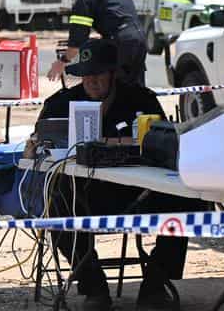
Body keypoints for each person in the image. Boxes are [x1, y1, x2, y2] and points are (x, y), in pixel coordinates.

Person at [29, 39, 203, 311]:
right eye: (86, 74)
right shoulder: (61, 103)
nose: (92, 81)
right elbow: (35, 145)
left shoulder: (140, 100)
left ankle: (155, 285)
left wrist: (120, 144)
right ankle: (93, 288)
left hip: (137, 193)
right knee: (57, 204)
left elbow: (165, 144)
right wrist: (36, 144)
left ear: (113, 73)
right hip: (83, 194)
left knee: (187, 201)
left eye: (98, 73)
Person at [47, 0, 147, 86]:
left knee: (119, 94)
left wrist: (62, 62)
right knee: (138, 91)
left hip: (121, 43)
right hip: (139, 36)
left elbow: (78, 37)